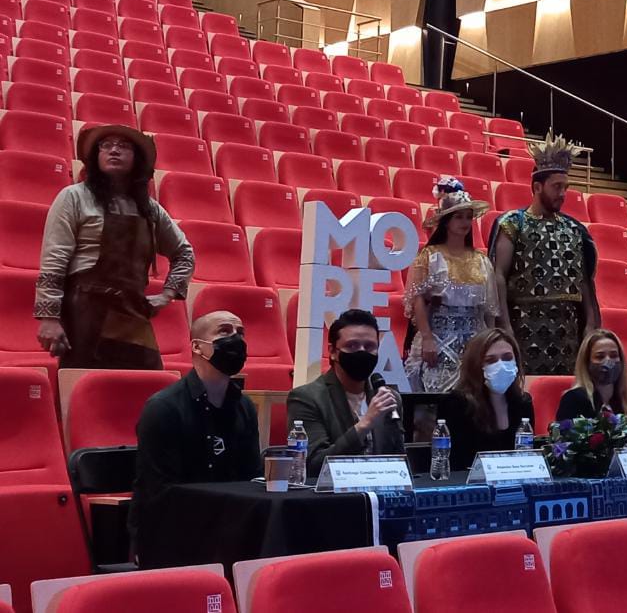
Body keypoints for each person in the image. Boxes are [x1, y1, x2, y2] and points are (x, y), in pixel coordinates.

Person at [35, 124, 194, 369]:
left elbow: (184, 253)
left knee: (148, 385)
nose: (114, 150)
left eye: (124, 146)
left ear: (137, 159)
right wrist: (49, 317)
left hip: (133, 315)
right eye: (106, 145)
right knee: (86, 385)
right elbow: (54, 259)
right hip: (85, 314)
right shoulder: (73, 196)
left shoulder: (150, 209)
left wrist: (167, 295)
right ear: (96, 156)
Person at [131, 310, 260, 565]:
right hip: (175, 533)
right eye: (224, 331)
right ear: (197, 346)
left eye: (241, 333)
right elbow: (157, 491)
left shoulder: (244, 406)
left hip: (230, 529)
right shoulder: (164, 407)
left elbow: (251, 477)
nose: (236, 339)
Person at [490, 131, 599, 376]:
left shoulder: (575, 229)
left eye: (565, 187)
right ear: (537, 187)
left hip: (568, 331)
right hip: (524, 327)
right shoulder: (513, 223)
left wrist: (591, 325)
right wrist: (504, 326)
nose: (562, 194)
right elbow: (499, 276)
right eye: (556, 187)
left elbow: (585, 282)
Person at [403, 177, 500, 393]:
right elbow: (418, 299)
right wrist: (427, 338)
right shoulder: (430, 256)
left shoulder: (481, 260)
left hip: (474, 339)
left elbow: (489, 310)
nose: (465, 222)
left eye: (468, 217)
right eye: (459, 217)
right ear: (446, 221)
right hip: (439, 336)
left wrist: (491, 342)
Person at [286, 308, 405, 478]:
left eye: (370, 346)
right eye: (352, 346)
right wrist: (365, 424)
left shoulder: (389, 399)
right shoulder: (307, 398)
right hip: (333, 492)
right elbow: (312, 465)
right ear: (333, 352)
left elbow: (399, 461)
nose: (362, 352)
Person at [437, 328, 535, 470]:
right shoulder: (455, 403)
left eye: (507, 358)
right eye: (491, 360)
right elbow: (454, 462)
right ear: (476, 365)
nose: (501, 365)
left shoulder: (523, 402)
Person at [555, 329, 627, 420]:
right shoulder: (573, 399)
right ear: (587, 363)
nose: (608, 361)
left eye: (614, 356)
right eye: (600, 357)